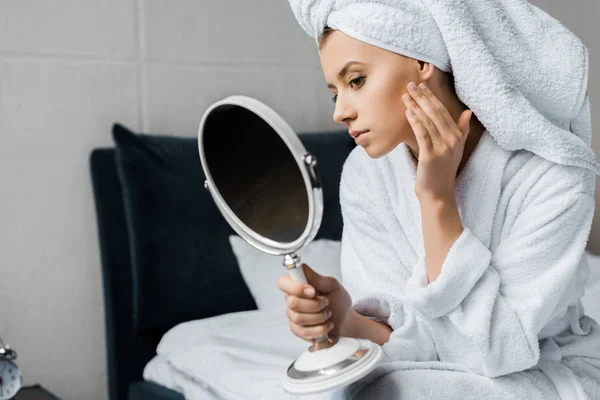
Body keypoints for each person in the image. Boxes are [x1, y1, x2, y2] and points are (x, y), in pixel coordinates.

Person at [277, 26, 600, 399]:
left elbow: (494, 350)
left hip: (546, 371)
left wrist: (437, 199)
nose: (340, 112)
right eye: (334, 92)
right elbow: (414, 344)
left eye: (357, 80)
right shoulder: (367, 174)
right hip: (437, 373)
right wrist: (348, 320)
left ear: (422, 61)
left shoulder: (551, 173)